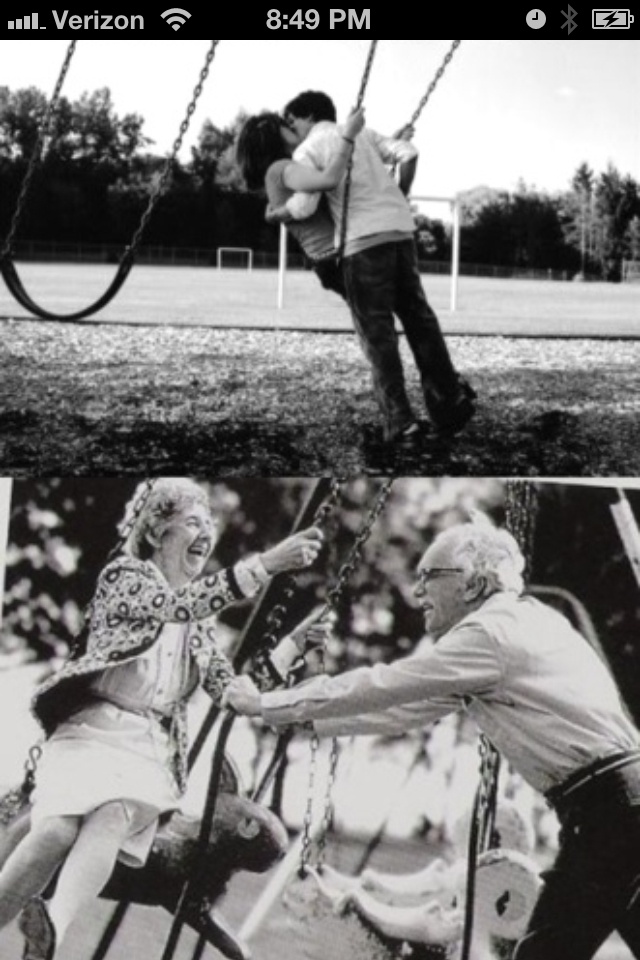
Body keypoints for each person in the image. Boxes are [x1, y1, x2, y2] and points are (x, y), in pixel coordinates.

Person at [225, 520, 640, 960]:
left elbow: (383, 683)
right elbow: (402, 711)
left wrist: (266, 704)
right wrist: (305, 722)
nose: (416, 590)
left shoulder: (488, 635)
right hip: (618, 806)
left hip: (609, 814)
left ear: (474, 583)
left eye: (429, 577)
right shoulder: (526, 621)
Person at [0, 478, 327, 960]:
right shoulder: (125, 577)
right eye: (192, 522)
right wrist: (266, 565)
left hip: (145, 748)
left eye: (209, 524)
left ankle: (51, 926)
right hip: (90, 731)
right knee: (55, 830)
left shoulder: (199, 622)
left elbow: (229, 686)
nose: (206, 533)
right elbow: (174, 606)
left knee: (116, 811)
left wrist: (292, 647)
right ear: (156, 534)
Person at [276, 90, 476, 447]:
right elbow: (409, 153)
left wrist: (280, 210)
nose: (292, 130)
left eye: (292, 122)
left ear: (306, 116)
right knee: (419, 320)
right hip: (400, 232)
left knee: (378, 336)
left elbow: (305, 207)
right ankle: (448, 404)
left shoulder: (309, 150)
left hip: (362, 243)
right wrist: (401, 192)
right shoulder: (364, 135)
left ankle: (402, 424)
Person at [236, 105, 365, 297]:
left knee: (368, 310)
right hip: (333, 256)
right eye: (285, 124)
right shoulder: (281, 168)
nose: (292, 126)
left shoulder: (278, 172)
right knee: (372, 312)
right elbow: (329, 180)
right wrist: (347, 136)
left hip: (326, 259)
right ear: (273, 134)